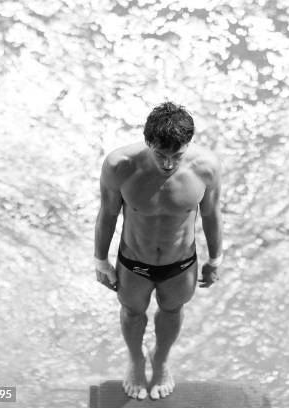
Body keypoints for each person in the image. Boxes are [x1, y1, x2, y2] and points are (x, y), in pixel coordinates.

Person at [93, 102, 223, 400]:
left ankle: (160, 360)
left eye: (175, 156)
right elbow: (108, 214)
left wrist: (215, 259)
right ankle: (136, 360)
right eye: (160, 155)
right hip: (133, 262)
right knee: (132, 311)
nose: (167, 164)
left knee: (172, 310)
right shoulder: (120, 165)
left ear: (188, 145)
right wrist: (101, 260)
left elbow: (212, 215)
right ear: (147, 141)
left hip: (180, 264)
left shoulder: (206, 168)